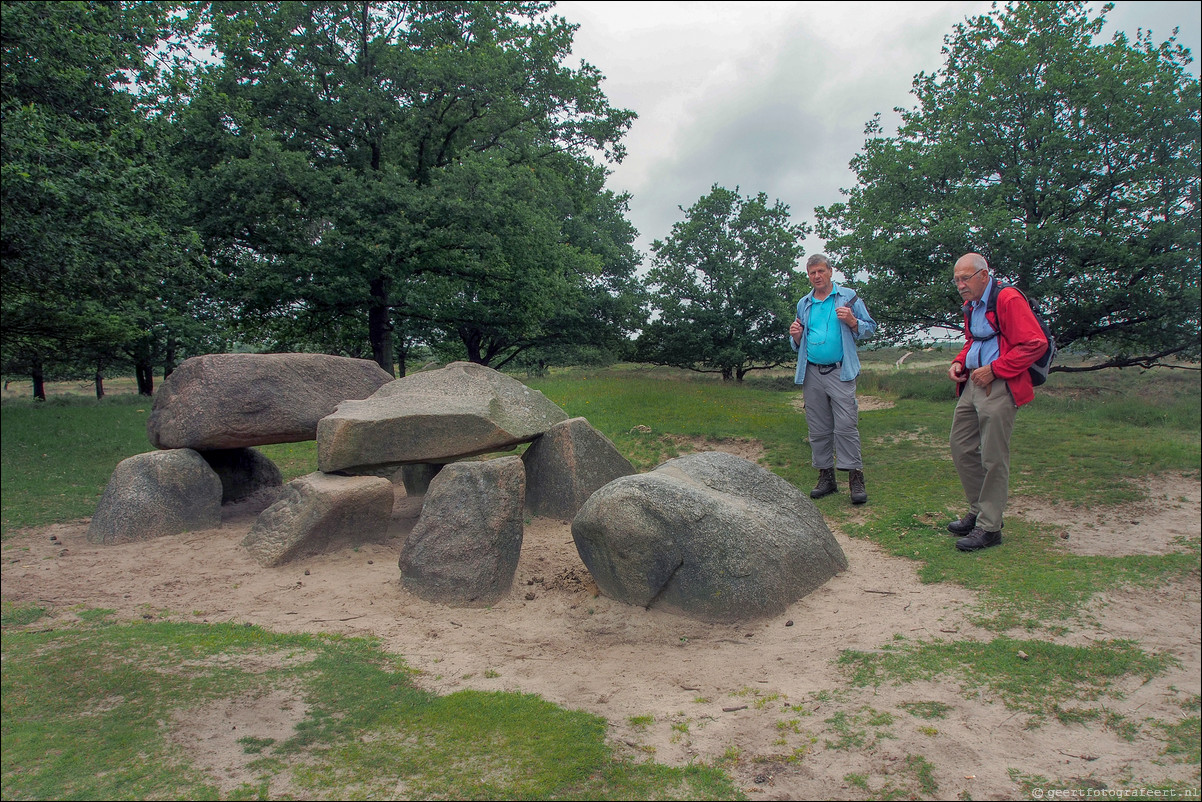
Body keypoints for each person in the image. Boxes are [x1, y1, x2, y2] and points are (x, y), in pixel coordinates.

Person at [946, 253, 1048, 551]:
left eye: (965, 278)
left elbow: (1035, 342)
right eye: (956, 280)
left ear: (983, 275)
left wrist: (995, 369)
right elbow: (973, 340)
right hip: (973, 383)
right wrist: (959, 361)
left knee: (993, 456)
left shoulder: (1007, 298)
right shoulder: (972, 305)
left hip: (1000, 385)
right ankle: (979, 511)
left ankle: (990, 527)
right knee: (961, 445)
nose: (961, 285)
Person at [789, 254, 877, 504]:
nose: (816, 276)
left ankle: (855, 477)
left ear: (830, 271)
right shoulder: (804, 303)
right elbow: (799, 340)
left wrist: (852, 321)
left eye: (820, 271)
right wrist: (795, 336)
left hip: (840, 370)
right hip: (812, 372)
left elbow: (870, 328)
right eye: (811, 273)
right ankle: (826, 476)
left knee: (846, 425)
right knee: (818, 428)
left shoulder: (848, 297)